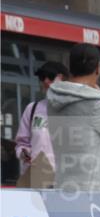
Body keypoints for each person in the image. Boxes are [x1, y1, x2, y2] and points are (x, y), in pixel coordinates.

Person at [46, 44, 100, 192]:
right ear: (98, 68)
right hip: (93, 191)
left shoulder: (55, 98)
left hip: (63, 185)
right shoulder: (97, 104)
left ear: (70, 67)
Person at [15, 60, 67, 189]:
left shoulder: (74, 110)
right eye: (42, 77)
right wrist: (24, 153)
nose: (46, 81)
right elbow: (22, 142)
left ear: (63, 79)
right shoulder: (32, 109)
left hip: (62, 182)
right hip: (34, 179)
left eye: (50, 77)